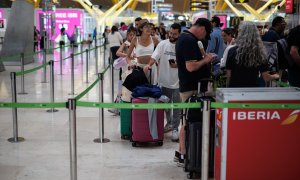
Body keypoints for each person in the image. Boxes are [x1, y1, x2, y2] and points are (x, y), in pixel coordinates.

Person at [174, 18, 214, 166]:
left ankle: (181, 152)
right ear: (202, 28)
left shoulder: (186, 38)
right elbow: (190, 67)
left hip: (191, 86)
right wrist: (206, 60)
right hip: (190, 88)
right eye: (206, 34)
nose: (204, 38)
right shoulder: (189, 41)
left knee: (187, 120)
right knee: (187, 121)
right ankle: (183, 155)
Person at [144, 23, 181, 142]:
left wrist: (177, 65)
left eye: (174, 34)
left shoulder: (182, 46)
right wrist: (148, 65)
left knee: (177, 107)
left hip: (178, 83)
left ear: (179, 34)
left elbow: (187, 63)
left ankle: (175, 128)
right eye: (170, 33)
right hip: (163, 81)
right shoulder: (162, 44)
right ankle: (169, 123)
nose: (171, 35)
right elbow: (154, 56)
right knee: (165, 106)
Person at [225, 22, 279, 87]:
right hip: (252, 90)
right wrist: (276, 76)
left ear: (240, 34)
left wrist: (227, 88)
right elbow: (266, 77)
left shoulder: (231, 51)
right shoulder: (260, 52)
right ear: (255, 34)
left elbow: (229, 76)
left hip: (235, 89)